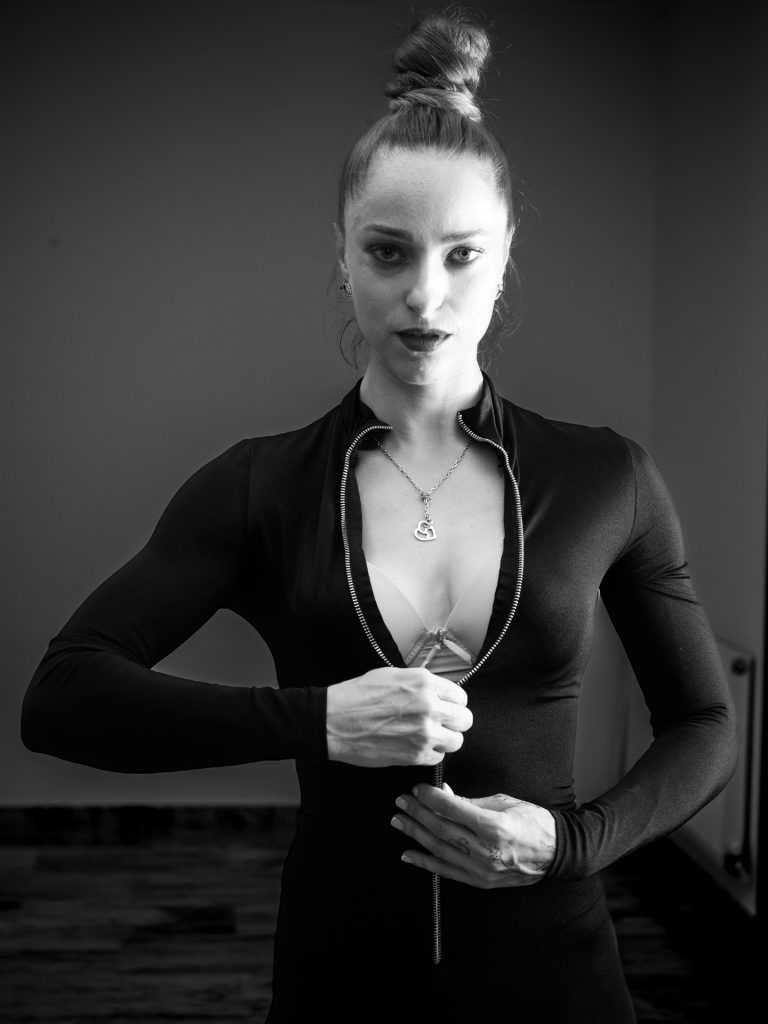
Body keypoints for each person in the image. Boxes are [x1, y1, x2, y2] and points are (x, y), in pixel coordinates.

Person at [21, 11, 736, 1023]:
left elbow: (705, 723)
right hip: (340, 978)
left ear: (507, 254)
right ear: (343, 254)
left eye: (462, 255)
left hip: (557, 978)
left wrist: (570, 843)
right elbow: (61, 696)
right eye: (389, 252)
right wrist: (318, 719)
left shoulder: (606, 477)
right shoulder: (258, 487)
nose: (423, 297)